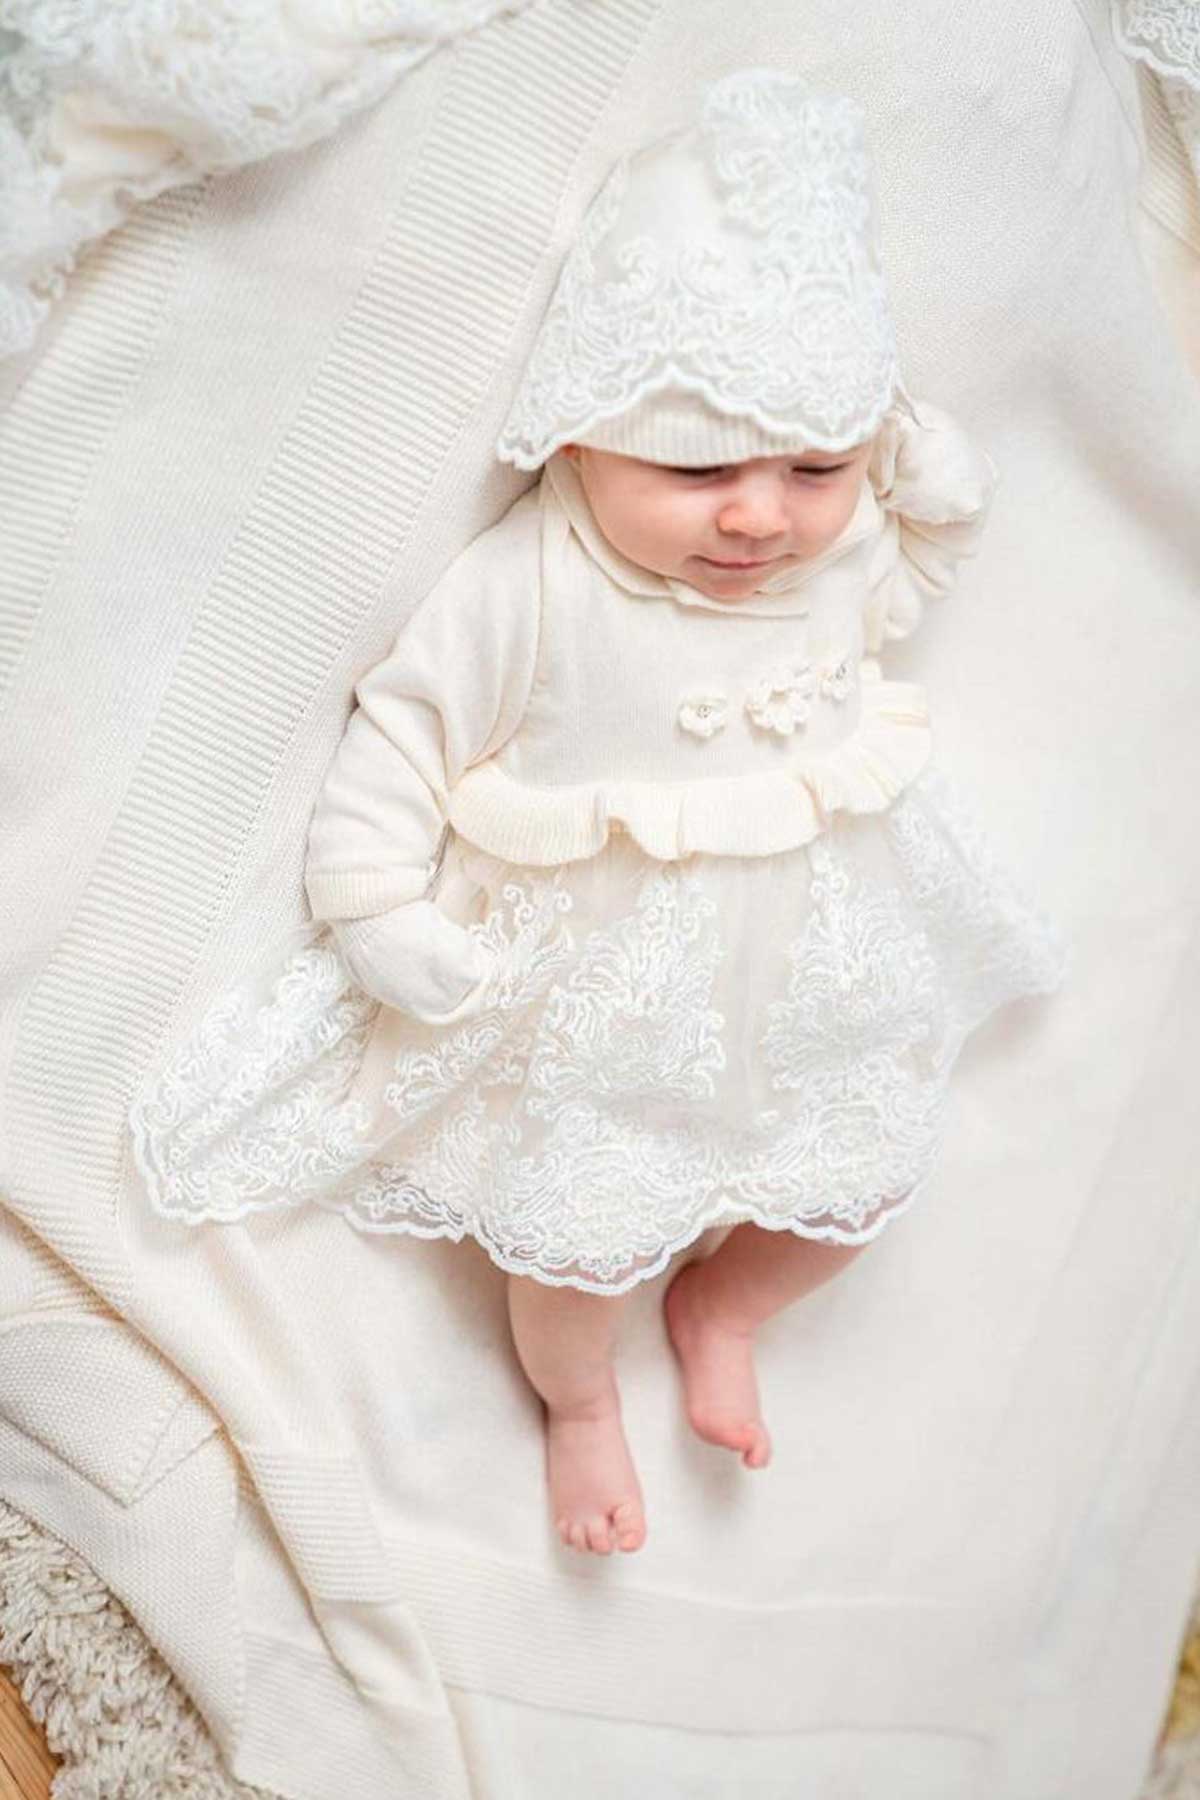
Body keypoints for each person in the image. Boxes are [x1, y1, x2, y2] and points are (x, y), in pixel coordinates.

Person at [128, 68, 1067, 1559]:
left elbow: (907, 586)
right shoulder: (533, 584)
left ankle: (724, 1305)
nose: (758, 515)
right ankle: (580, 1403)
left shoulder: (833, 555)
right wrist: (376, 905)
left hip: (815, 979)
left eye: (815, 466)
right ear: (577, 439)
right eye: (695, 468)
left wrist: (930, 494)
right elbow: (407, 729)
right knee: (574, 1248)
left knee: (861, 1188)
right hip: (606, 1006)